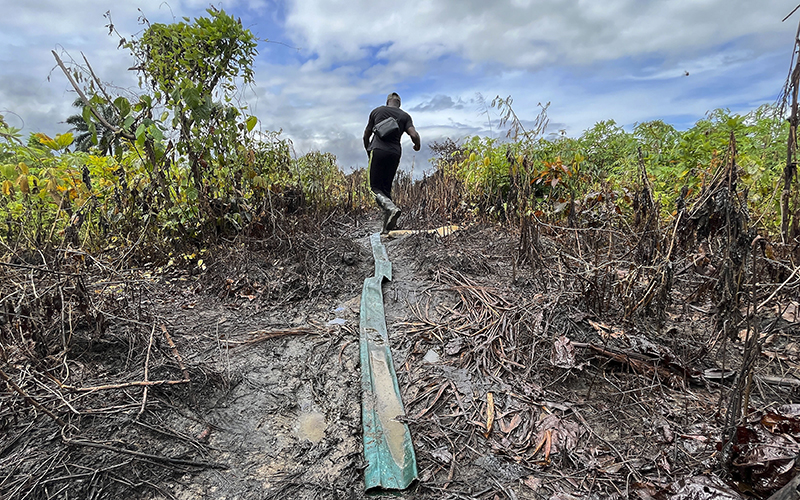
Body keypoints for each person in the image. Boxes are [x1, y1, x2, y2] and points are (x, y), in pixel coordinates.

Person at [363, 92, 421, 234]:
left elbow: (366, 134)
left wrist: (368, 150)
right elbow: (413, 135)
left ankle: (391, 209)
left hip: (378, 151)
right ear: (399, 104)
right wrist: (417, 146)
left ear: (388, 101)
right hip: (394, 153)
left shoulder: (377, 111)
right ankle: (387, 228)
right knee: (386, 189)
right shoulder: (405, 116)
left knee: (374, 188)